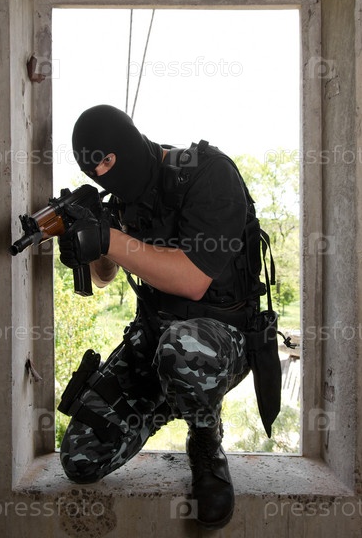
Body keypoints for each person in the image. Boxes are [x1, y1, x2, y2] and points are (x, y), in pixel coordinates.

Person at [58, 104, 272, 530]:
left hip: (220, 339)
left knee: (183, 348)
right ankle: (173, 395)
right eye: (92, 170)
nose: (102, 174)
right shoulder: (122, 200)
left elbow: (193, 280)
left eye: (107, 161)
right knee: (80, 458)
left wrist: (109, 238)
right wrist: (88, 240)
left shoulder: (208, 175)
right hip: (155, 337)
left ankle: (205, 439)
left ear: (128, 143)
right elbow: (104, 277)